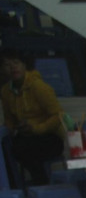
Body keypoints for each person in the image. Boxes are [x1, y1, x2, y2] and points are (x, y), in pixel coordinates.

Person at [0, 49, 66, 186]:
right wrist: (11, 128)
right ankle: (13, 187)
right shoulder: (6, 91)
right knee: (7, 147)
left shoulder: (38, 86)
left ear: (24, 65)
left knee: (25, 149)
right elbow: (9, 119)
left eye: (16, 63)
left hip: (50, 136)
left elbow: (58, 116)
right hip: (26, 136)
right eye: (7, 64)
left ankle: (42, 186)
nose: (13, 67)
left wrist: (36, 128)